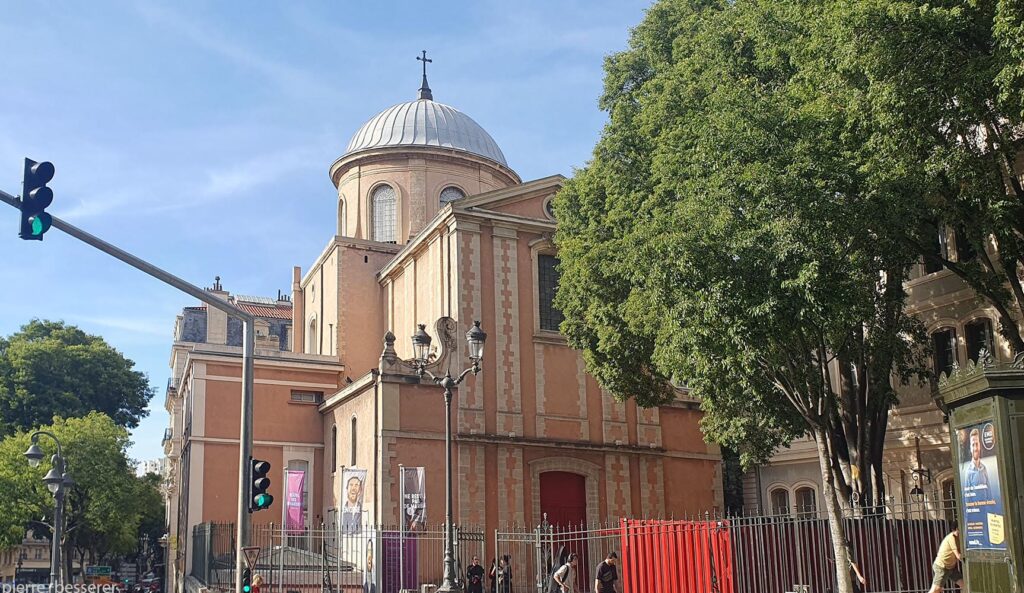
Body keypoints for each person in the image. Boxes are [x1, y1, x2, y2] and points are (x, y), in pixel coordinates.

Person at [928, 527, 964, 593]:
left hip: (951, 568)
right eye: (958, 530)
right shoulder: (951, 538)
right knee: (936, 590)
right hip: (942, 566)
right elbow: (958, 556)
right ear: (956, 529)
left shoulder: (960, 538)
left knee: (964, 585)